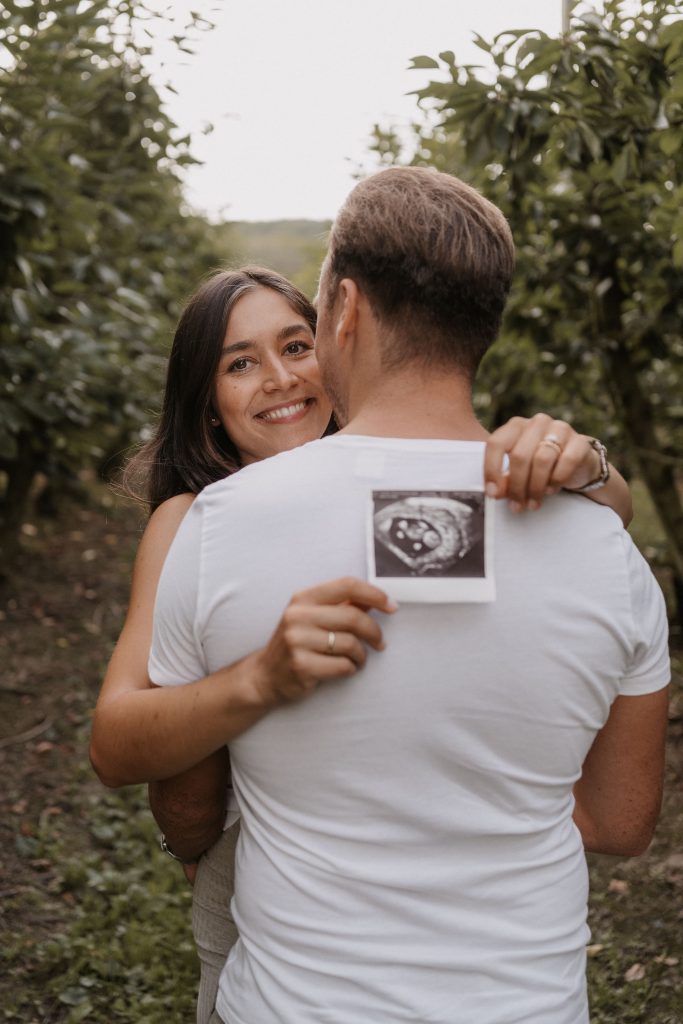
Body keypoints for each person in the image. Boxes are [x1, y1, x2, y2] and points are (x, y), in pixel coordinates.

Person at [145, 169, 669, 1024]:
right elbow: (618, 820)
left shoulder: (218, 526)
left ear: (344, 309)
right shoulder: (605, 549)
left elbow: (189, 802)